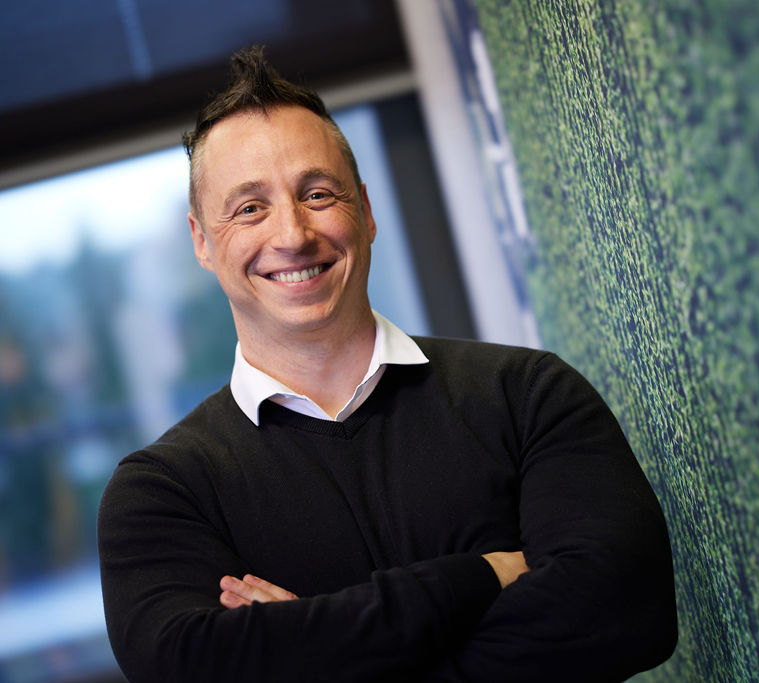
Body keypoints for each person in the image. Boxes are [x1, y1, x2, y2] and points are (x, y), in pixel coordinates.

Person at [97, 46, 677, 682]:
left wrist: (311, 645)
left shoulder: (526, 395)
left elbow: (627, 613)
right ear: (202, 242)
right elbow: (197, 669)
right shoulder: (162, 493)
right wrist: (482, 576)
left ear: (365, 213)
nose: (292, 234)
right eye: (249, 207)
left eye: (317, 194)